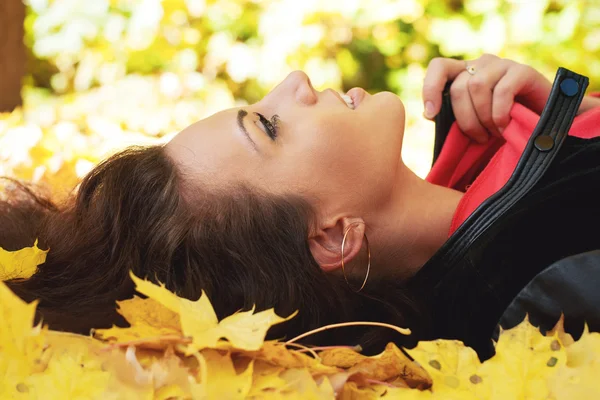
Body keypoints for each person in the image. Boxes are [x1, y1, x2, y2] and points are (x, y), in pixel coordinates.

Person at [2, 54, 600, 357]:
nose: (294, 82)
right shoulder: (541, 272)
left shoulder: (478, 162)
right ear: (332, 238)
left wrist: (557, 113)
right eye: (268, 126)